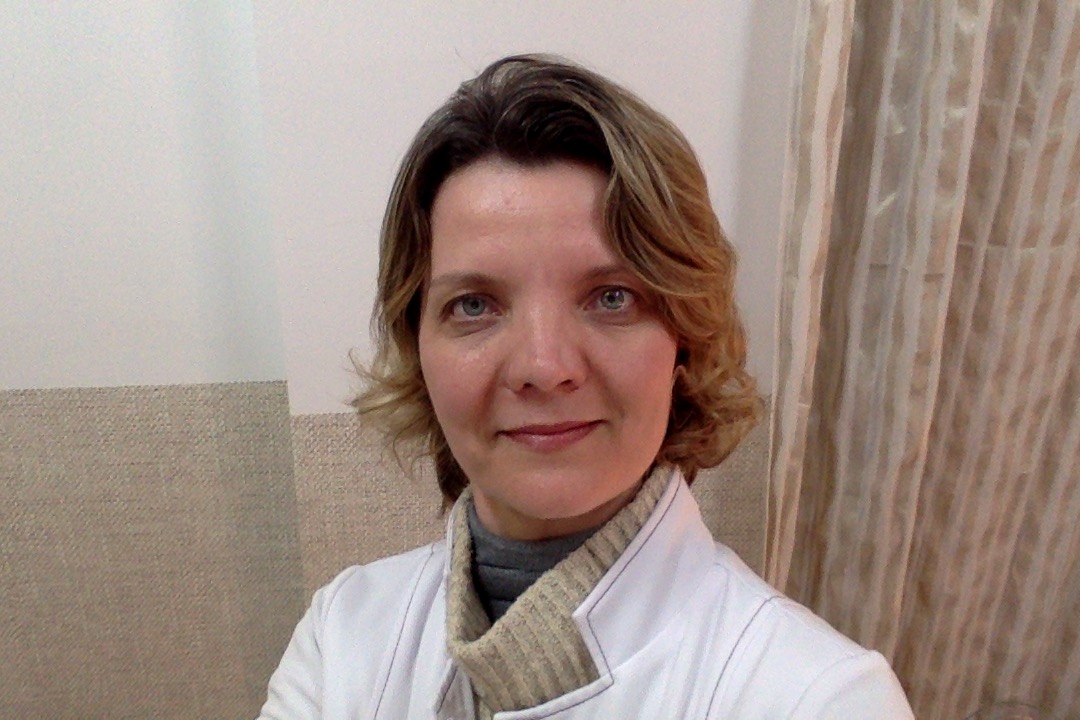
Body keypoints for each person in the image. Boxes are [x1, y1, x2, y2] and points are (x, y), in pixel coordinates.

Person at [258, 54, 914, 719]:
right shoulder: (342, 638)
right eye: (474, 306)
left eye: (612, 297)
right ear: (417, 350)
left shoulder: (821, 696)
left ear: (685, 338)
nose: (544, 366)